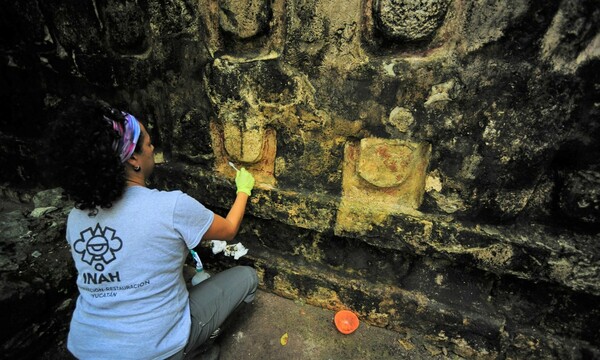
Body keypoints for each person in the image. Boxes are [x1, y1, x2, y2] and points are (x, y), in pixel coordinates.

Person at [46, 97, 258, 359]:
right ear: (134, 159)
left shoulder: (76, 218)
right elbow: (228, 230)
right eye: (147, 143)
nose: (152, 146)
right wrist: (243, 190)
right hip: (154, 350)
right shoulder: (170, 206)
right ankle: (194, 349)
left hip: (84, 349)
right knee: (247, 277)